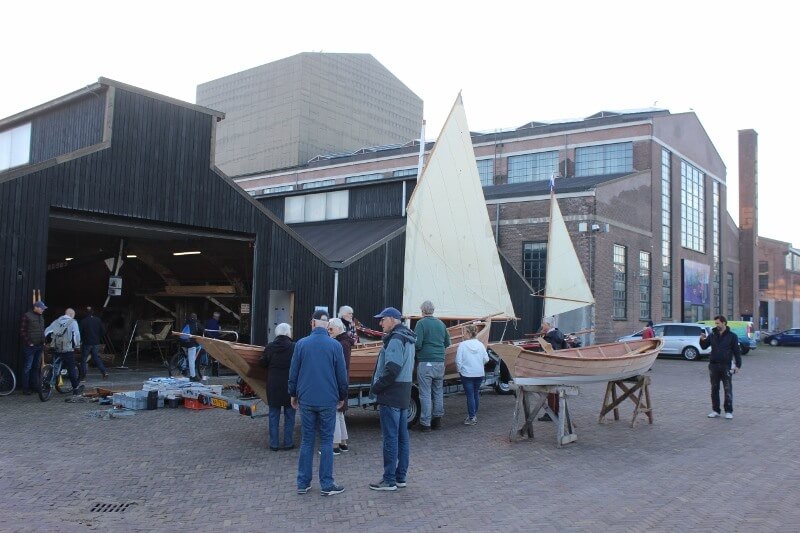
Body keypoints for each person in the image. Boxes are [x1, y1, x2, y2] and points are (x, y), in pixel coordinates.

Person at [288, 310, 348, 496]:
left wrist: (293, 393)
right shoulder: (335, 346)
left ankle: (303, 483)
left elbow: (294, 372)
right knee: (327, 441)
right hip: (328, 399)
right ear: (327, 324)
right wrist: (342, 396)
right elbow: (341, 375)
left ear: (312, 323)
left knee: (307, 441)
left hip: (306, 399)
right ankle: (327, 484)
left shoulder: (301, 344)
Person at [369, 307, 416, 491]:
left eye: (382, 320)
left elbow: (392, 369)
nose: (380, 323)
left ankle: (389, 480)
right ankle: (400, 477)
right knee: (402, 438)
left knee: (391, 438)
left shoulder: (396, 339)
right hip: (404, 392)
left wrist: (376, 387)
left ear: (391, 319)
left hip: (391, 393)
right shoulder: (409, 337)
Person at [414, 300, 450, 431]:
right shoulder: (441, 324)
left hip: (426, 362)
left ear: (422, 310)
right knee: (438, 391)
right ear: (433, 310)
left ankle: (425, 423)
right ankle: (438, 421)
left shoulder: (421, 323)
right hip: (440, 362)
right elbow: (447, 342)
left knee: (425, 393)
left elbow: (417, 344)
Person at [260, 323, 296, 451]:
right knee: (290, 416)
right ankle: (288, 443)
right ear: (287, 333)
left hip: (273, 385)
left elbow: (263, 363)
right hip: (289, 385)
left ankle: (274, 444)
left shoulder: (269, 347)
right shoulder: (294, 347)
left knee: (273, 415)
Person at [700, 315, 742, 420]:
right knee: (714, 388)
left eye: (718, 323)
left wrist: (738, 365)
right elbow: (704, 346)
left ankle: (728, 411)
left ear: (724, 323)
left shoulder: (732, 336)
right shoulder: (712, 335)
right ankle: (715, 410)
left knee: (727, 388)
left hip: (726, 365)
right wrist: (702, 340)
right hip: (713, 365)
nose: (716, 325)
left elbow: (737, 352)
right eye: (715, 323)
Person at [327, 318, 353, 453]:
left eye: (331, 329)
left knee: (335, 413)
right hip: (342, 380)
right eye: (328, 329)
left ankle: (335, 446)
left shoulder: (340, 344)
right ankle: (343, 442)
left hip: (337, 381)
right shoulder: (344, 342)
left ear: (338, 329)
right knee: (340, 413)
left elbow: (338, 366)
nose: (329, 331)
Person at [45, 308, 84, 396]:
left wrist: (44, 342)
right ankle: (75, 389)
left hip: (56, 349)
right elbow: (76, 334)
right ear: (71, 315)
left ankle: (48, 383)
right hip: (67, 350)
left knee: (55, 366)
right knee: (71, 369)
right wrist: (77, 345)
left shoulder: (56, 321)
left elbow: (47, 331)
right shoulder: (73, 322)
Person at [456, 324, 489, 425]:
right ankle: (473, 415)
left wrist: (460, 370)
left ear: (469, 333)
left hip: (467, 374)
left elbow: (458, 361)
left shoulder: (462, 345)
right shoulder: (480, 344)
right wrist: (479, 364)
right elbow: (486, 359)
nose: (463, 334)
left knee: (470, 395)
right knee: (475, 394)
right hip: (479, 373)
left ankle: (472, 417)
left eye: (465, 332)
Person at [19, 301, 47, 395]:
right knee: (28, 367)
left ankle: (34, 386)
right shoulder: (27, 316)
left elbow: (42, 330)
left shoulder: (41, 317)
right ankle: (25, 388)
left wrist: (43, 341)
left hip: (39, 345)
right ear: (36, 307)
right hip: (30, 347)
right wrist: (29, 343)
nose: (43, 310)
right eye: (41, 308)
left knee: (35, 367)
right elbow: (22, 331)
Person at [539, 322, 564, 421]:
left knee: (550, 390)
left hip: (550, 367)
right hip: (558, 366)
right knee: (556, 390)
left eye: (543, 325)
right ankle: (556, 411)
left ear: (548, 325)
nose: (542, 327)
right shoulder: (559, 334)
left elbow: (548, 352)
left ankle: (551, 414)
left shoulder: (549, 337)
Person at [79, 306, 108, 381]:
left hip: (86, 343)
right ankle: (104, 372)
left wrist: (81, 340)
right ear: (93, 312)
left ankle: (83, 376)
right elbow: (103, 331)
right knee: (96, 357)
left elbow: (79, 332)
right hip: (96, 342)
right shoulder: (98, 320)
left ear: (85, 313)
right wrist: (98, 337)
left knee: (83, 359)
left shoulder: (83, 321)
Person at [180, 313, 203, 382]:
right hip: (190, 344)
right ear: (195, 318)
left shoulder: (186, 323)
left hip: (183, 343)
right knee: (191, 360)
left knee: (186, 356)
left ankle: (183, 368)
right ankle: (193, 376)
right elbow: (202, 329)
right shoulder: (196, 323)